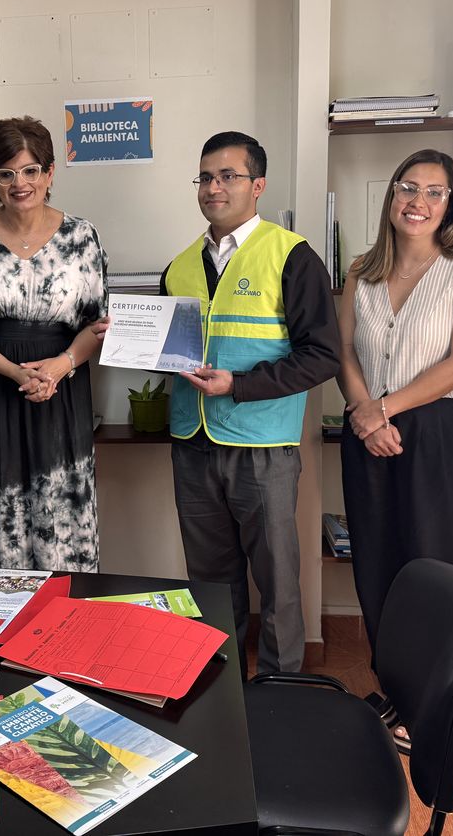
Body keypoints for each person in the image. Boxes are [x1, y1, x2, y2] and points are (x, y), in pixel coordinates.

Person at [162, 131, 339, 674]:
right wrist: (126, 337)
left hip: (263, 446)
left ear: (257, 185)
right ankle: (221, 690)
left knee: (278, 580)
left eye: (228, 176)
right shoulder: (180, 266)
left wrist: (237, 386)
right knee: (209, 581)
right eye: (205, 177)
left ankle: (282, 691)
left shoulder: (293, 256)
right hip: (193, 444)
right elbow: (175, 353)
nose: (214, 188)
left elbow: (323, 357)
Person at [337, 149, 453, 662]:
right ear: (392, 196)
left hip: (440, 431)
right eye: (408, 188)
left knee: (434, 566)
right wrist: (366, 414)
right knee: (376, 561)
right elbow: (342, 351)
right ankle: (393, 685)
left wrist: (380, 408)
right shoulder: (361, 270)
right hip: (366, 431)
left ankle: (433, 697)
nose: (418, 201)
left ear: (451, 204)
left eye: (434, 192)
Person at [0, 115, 107, 572]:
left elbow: (96, 325)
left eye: (31, 170)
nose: (20, 183)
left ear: (50, 173)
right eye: (6, 173)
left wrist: (60, 366)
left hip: (62, 388)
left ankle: (64, 630)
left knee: (60, 507)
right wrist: (18, 373)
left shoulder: (82, 236)